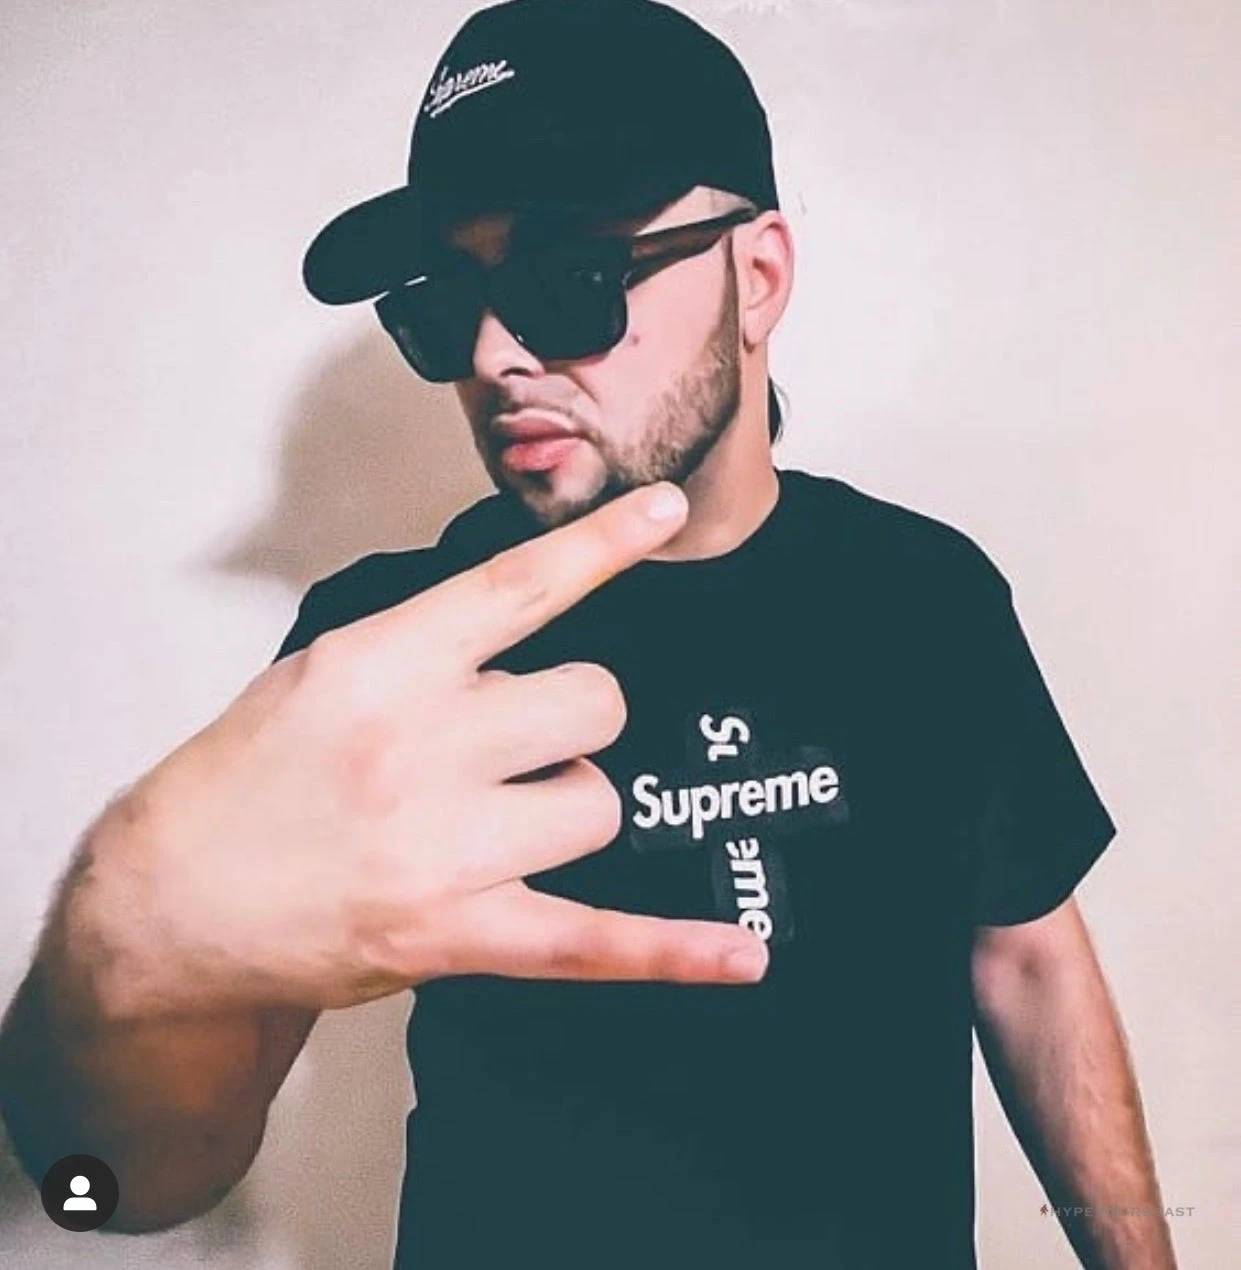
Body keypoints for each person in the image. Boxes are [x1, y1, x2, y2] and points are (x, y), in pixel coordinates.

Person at [0, 1, 1177, 1267]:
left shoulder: (927, 598)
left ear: (757, 277)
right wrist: (126, 942)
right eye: (446, 302)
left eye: (569, 277)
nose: (494, 353)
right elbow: (114, 1190)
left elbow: (1026, 959)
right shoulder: (382, 653)